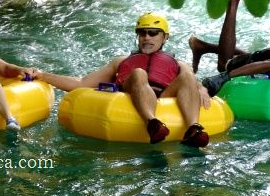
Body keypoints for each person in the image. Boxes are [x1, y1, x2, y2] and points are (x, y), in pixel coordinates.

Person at [33, 12, 212, 147]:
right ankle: (152, 123)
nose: (147, 38)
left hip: (164, 95)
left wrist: (202, 90)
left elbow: (192, 84)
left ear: (165, 37)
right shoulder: (121, 61)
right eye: (142, 33)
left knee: (188, 73)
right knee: (139, 73)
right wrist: (43, 75)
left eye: (153, 33)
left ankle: (193, 129)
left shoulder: (177, 63)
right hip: (132, 91)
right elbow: (82, 84)